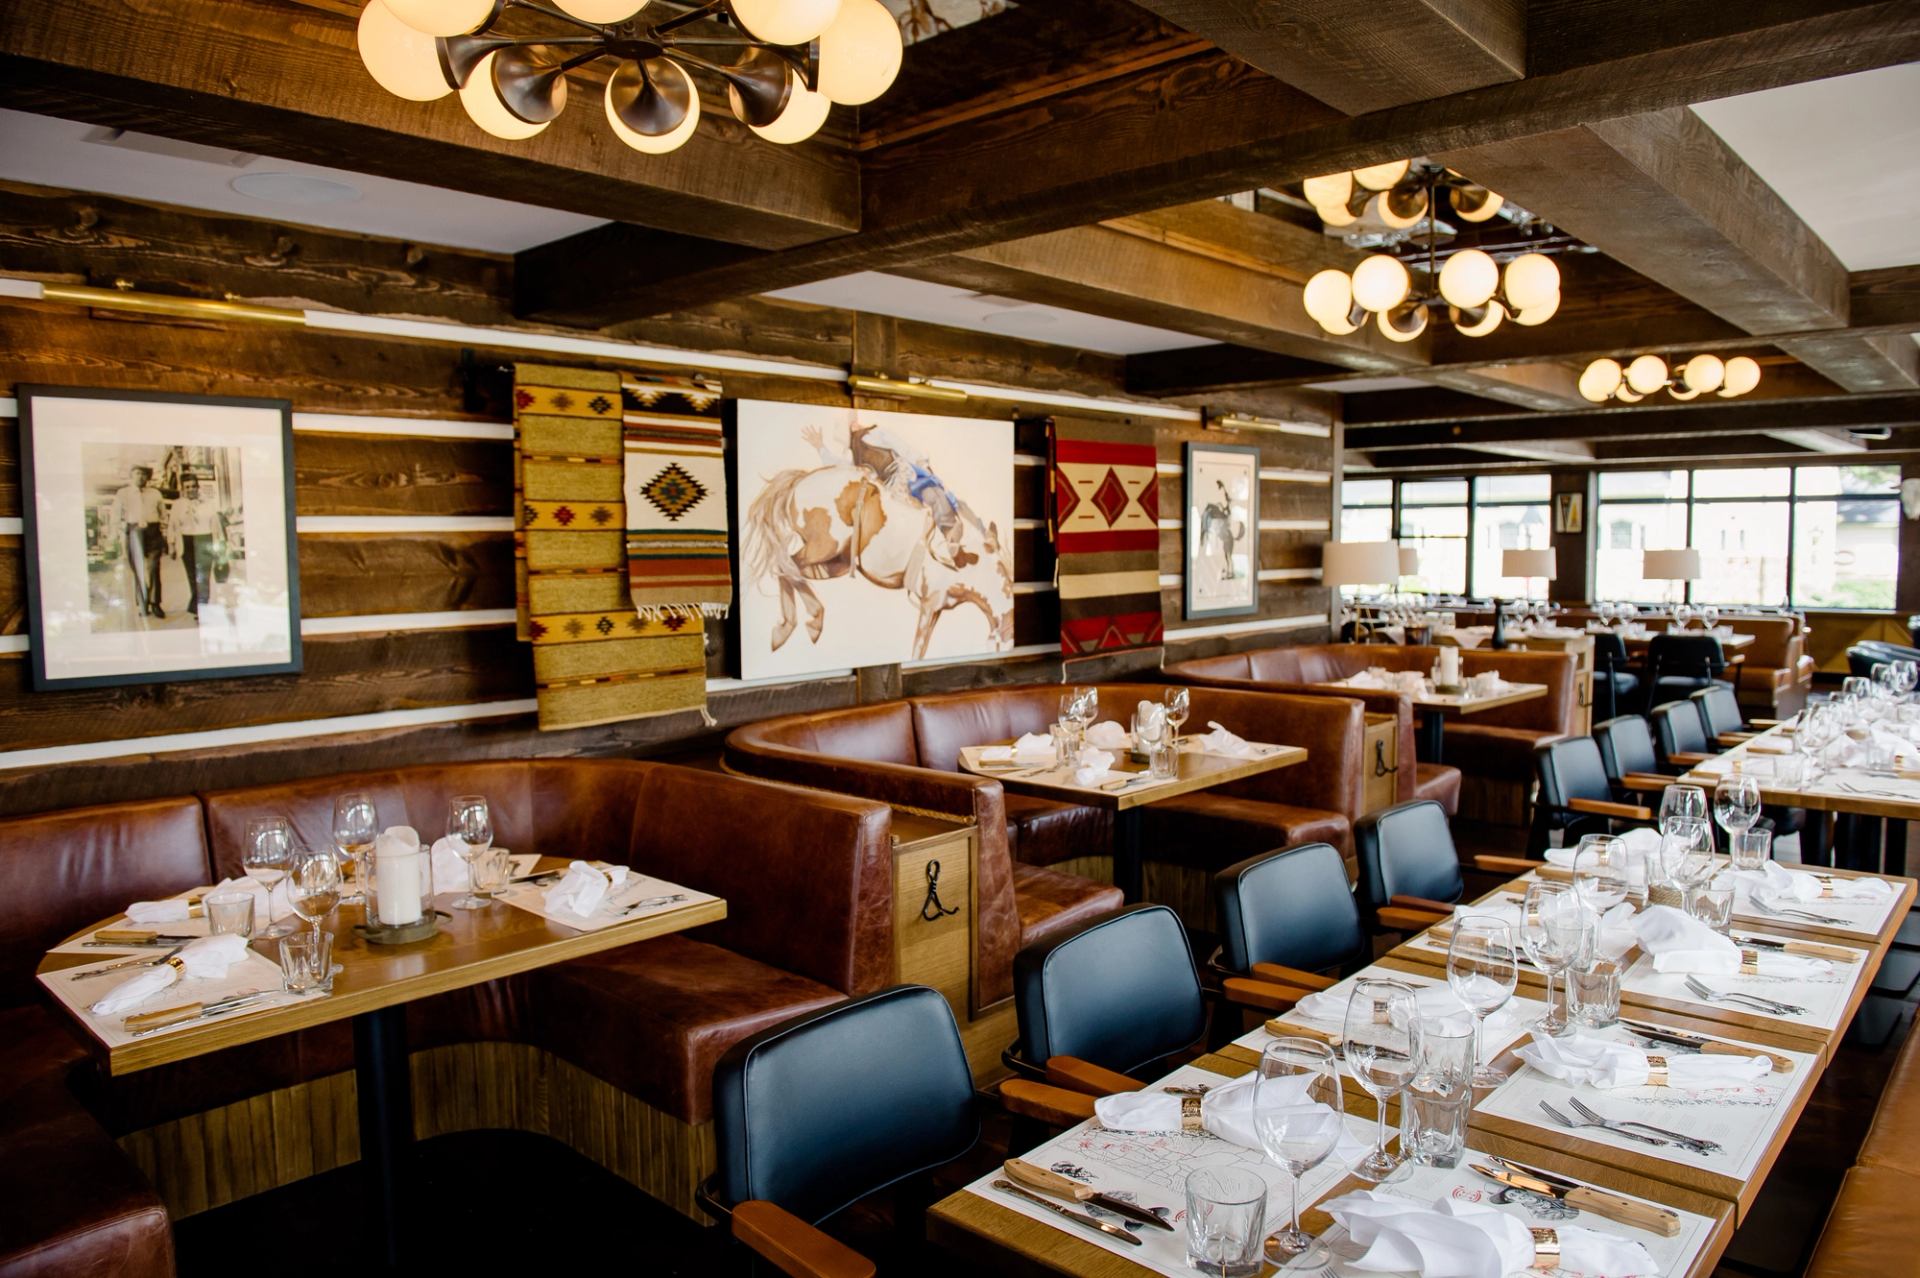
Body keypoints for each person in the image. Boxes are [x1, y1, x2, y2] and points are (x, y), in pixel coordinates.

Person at [111, 464, 164, 618]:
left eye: (144, 474)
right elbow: (115, 515)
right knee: (138, 570)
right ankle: (143, 603)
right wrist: (119, 533)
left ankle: (155, 603)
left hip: (153, 531)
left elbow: (163, 514)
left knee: (153, 568)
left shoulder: (155, 493)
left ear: (148, 477)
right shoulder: (123, 493)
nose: (140, 477)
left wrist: (164, 531)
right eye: (137, 473)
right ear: (131, 475)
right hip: (134, 531)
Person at [169, 473, 224, 619]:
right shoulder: (177, 505)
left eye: (194, 486)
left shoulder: (208, 504)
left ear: (198, 487)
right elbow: (172, 526)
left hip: (205, 539)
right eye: (187, 487)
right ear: (182, 489)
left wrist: (219, 545)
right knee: (192, 576)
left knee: (203, 576)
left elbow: (216, 525)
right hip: (186, 541)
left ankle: (202, 607)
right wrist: (171, 545)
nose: (191, 489)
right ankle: (198, 605)